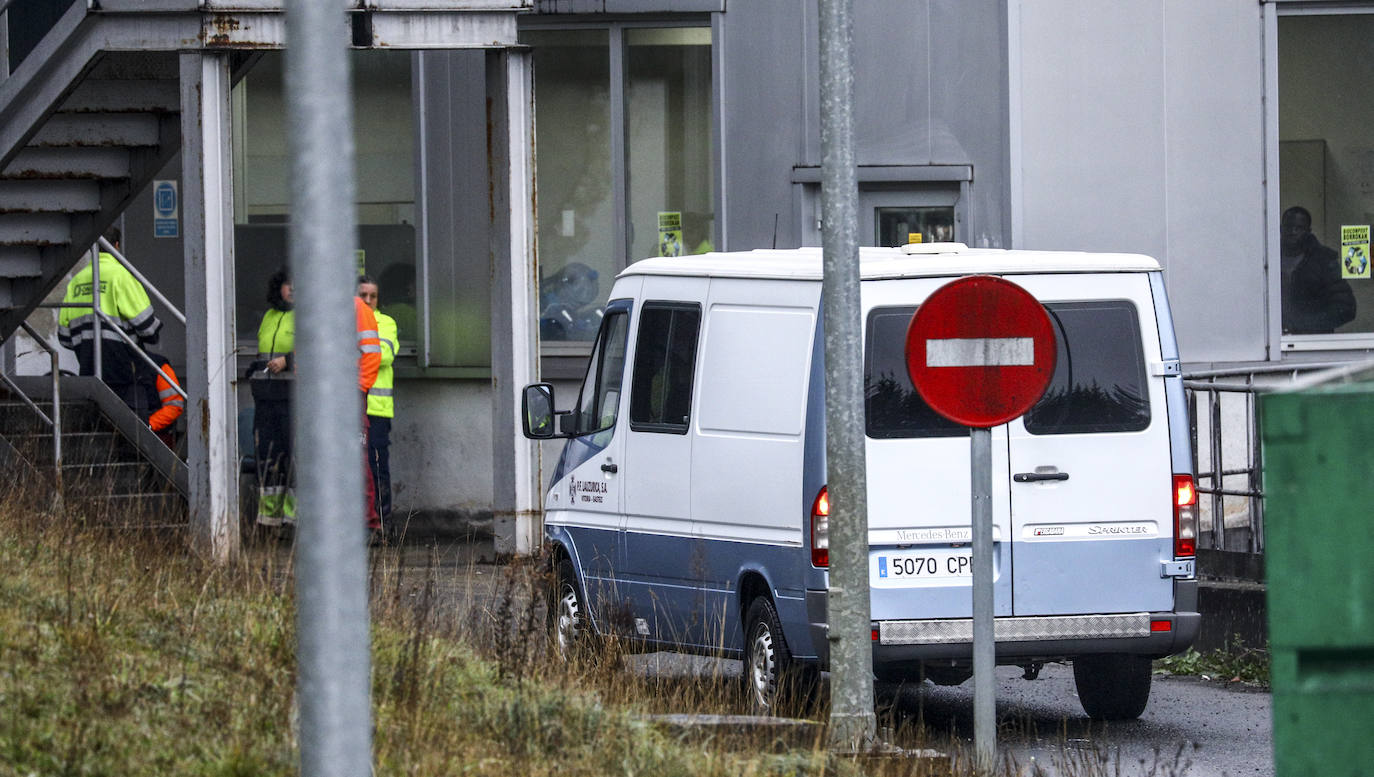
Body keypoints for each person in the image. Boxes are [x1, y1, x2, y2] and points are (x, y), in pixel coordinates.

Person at [57, 227, 163, 413]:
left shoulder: (76, 282)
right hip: (126, 379)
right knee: (132, 429)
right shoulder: (121, 276)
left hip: (89, 375)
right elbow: (148, 329)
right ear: (117, 246)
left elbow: (65, 338)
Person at [250, 268, 296, 529]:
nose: (293, 289)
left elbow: (317, 350)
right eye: (288, 284)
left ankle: (294, 519)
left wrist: (288, 360)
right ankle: (269, 518)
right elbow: (263, 353)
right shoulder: (269, 316)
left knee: (294, 457)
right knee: (267, 457)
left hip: (293, 399)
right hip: (265, 398)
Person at [358, 275, 397, 534]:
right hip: (355, 408)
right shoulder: (350, 320)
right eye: (363, 295)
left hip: (377, 409)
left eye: (373, 296)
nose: (368, 300)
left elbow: (383, 355)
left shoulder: (385, 322)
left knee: (377, 467)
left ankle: (382, 523)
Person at [1280, 206, 1356, 334]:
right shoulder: (1267, 259)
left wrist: (1306, 324)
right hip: (1274, 337)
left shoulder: (1323, 261)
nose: (1293, 232)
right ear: (1281, 229)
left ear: (1308, 231)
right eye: (1288, 227)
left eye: (1299, 228)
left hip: (1313, 340)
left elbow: (1345, 307)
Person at [354, 294, 383, 541]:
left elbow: (372, 353)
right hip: (322, 399)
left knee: (357, 460)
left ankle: (368, 524)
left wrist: (359, 387)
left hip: (349, 396)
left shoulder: (357, 308)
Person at [140, 352, 184, 450]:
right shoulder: (113, 364)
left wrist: (149, 425)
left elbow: (174, 406)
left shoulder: (157, 364)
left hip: (157, 435)